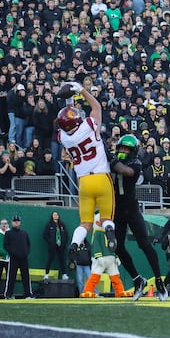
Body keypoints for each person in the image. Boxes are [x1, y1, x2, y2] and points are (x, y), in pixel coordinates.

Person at [56, 82, 116, 261]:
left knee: (86, 222)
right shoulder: (89, 125)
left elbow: (66, 119)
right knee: (106, 217)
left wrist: (68, 101)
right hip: (101, 177)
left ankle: (75, 243)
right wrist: (82, 90)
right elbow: (96, 106)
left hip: (83, 182)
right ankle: (109, 230)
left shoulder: (63, 137)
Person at [105, 134, 167, 301]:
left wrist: (108, 156)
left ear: (133, 151)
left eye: (127, 149)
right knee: (117, 248)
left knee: (144, 245)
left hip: (132, 210)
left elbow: (123, 170)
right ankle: (138, 280)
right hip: (116, 211)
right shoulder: (109, 161)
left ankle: (159, 281)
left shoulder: (136, 163)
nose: (123, 151)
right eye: (122, 148)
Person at [78, 214, 127, 298]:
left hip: (111, 259)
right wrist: (98, 256)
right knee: (95, 276)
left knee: (115, 277)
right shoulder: (97, 233)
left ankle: (120, 291)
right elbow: (96, 245)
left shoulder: (110, 234)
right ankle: (88, 291)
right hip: (101, 259)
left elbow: (112, 246)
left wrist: (116, 256)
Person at [3, 215, 33, 299]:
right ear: (12, 222)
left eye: (18, 221)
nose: (16, 222)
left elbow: (28, 244)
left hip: (24, 258)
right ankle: (8, 294)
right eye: (15, 221)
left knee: (26, 277)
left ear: (20, 222)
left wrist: (26, 253)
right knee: (11, 277)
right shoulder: (8, 233)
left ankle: (28, 294)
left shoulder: (24, 233)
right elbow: (6, 245)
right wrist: (13, 253)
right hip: (13, 259)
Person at [42, 211, 69, 281]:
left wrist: (64, 243)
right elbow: (45, 235)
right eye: (54, 215)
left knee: (62, 260)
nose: (55, 216)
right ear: (52, 216)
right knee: (50, 259)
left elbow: (66, 235)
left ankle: (64, 274)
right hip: (52, 246)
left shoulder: (62, 224)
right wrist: (51, 242)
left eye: (57, 214)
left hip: (61, 246)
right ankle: (46, 274)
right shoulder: (49, 224)